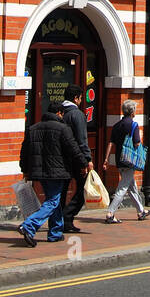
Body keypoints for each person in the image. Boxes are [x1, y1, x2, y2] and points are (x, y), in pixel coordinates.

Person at [18, 101, 88, 246]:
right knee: (53, 201)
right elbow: (73, 148)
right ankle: (29, 225)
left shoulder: (33, 128)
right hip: (57, 171)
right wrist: (84, 163)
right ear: (59, 113)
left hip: (40, 171)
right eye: (62, 114)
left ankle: (55, 232)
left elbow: (24, 150)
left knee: (53, 199)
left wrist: (24, 169)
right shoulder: (63, 129)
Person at [101, 99, 150, 223]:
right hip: (129, 161)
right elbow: (136, 143)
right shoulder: (134, 125)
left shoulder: (117, 125)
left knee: (132, 187)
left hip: (119, 160)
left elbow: (111, 143)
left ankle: (141, 211)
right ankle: (110, 213)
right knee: (122, 188)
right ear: (132, 112)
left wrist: (106, 159)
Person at [59, 84, 94, 232]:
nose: (81, 101)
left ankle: (60, 221)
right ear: (76, 98)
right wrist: (87, 159)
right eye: (80, 98)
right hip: (76, 158)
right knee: (83, 190)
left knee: (61, 191)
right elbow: (81, 139)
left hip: (60, 157)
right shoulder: (77, 114)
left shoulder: (59, 112)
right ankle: (67, 217)